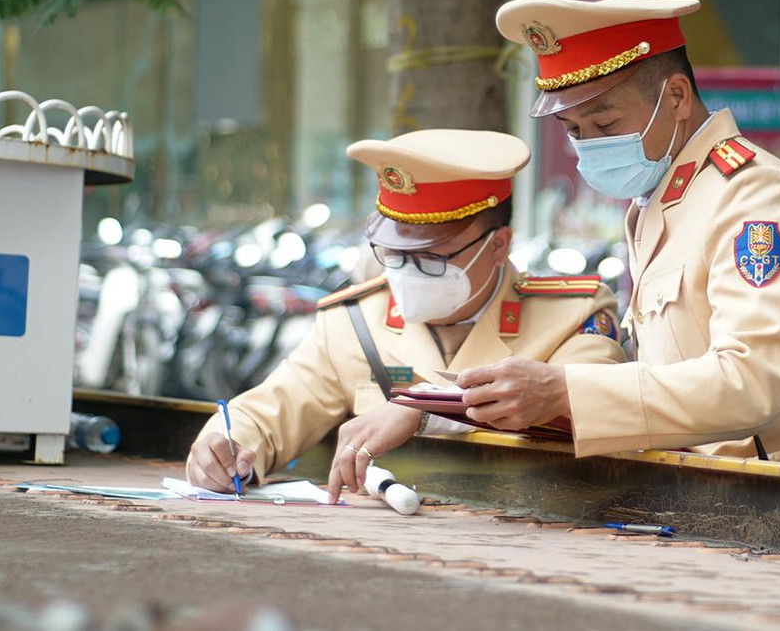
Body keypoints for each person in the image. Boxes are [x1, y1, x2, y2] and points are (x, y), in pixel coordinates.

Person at [446, 0, 780, 465]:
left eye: (605, 122)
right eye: (573, 130)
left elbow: (753, 381)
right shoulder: (660, 197)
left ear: (676, 97)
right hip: (685, 489)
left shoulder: (755, 197)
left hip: (766, 501)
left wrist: (567, 391)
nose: (589, 145)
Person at [185, 130, 625, 501]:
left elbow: (595, 404)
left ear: (498, 245)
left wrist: (423, 408)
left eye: (429, 258)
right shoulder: (355, 322)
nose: (405, 273)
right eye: (393, 255)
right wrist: (226, 448)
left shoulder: (573, 314)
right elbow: (275, 407)